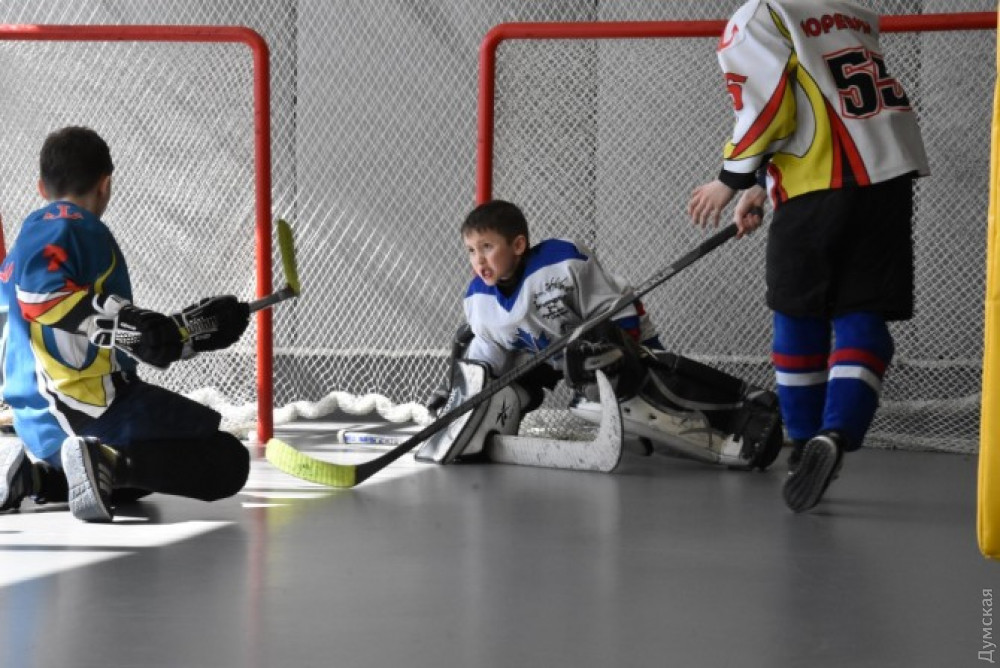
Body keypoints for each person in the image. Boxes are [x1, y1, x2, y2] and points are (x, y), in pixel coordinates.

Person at [687, 0, 929, 512]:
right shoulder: (851, 10)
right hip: (888, 177)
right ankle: (836, 434)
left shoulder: (758, 15)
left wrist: (732, 180)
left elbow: (771, 105)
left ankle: (802, 442)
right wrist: (763, 186)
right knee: (862, 311)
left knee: (798, 313)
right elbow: (823, 95)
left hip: (818, 181)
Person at [0, 125, 251, 522]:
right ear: (105, 184)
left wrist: (189, 332)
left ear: (41, 186)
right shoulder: (64, 222)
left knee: (151, 469)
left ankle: (36, 479)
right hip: (83, 410)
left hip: (38, 422)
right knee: (227, 460)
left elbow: (81, 331)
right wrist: (129, 324)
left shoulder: (21, 248)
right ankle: (106, 462)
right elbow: (42, 297)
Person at [417, 199, 782, 470]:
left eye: (487, 247)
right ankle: (483, 422)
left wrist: (621, 352)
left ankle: (744, 419)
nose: (479, 260)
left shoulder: (562, 262)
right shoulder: (477, 298)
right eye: (471, 251)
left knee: (606, 374)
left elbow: (612, 309)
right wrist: (465, 393)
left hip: (609, 339)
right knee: (472, 351)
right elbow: (489, 349)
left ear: (518, 245)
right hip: (548, 354)